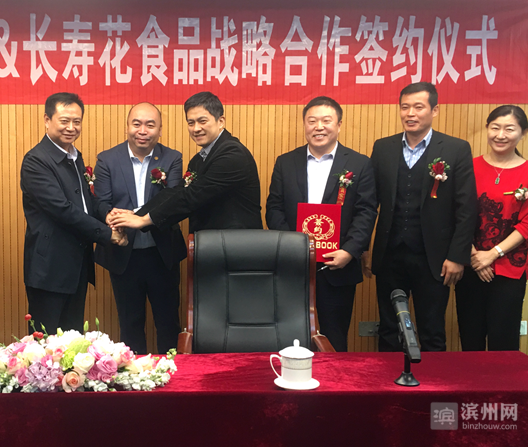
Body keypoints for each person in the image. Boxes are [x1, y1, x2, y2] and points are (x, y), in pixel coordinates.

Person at [369, 82, 477, 352]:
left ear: (434, 110)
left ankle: (432, 380)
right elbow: (370, 203)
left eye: (418, 107)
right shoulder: (383, 148)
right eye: (405, 107)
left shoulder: (455, 149)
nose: (410, 114)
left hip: (435, 258)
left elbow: (466, 209)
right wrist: (363, 249)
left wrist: (457, 256)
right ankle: (388, 378)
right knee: (389, 328)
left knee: (432, 330)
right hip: (389, 254)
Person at [266, 96, 377, 352]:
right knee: (290, 338)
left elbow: (366, 211)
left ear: (339, 124)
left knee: (333, 338)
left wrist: (350, 251)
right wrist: (292, 247)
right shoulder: (286, 162)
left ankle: (332, 379)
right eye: (312, 121)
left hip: (337, 267)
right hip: (293, 268)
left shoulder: (359, 163)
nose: (319, 127)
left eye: (326, 121)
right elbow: (274, 208)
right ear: (304, 124)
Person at [21, 92, 127, 335]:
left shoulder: (74, 156)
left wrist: (107, 215)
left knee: (71, 340)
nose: (71, 128)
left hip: (76, 264)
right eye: (64, 121)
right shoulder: (36, 161)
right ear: (47, 120)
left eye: (77, 121)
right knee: (45, 344)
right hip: (49, 268)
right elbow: (62, 209)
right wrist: (107, 234)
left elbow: (86, 200)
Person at [94, 103, 186, 354]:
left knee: (168, 323)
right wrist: (112, 217)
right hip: (124, 253)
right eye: (137, 124)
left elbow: (172, 199)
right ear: (127, 126)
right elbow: (101, 203)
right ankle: (134, 375)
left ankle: (173, 373)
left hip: (162, 253)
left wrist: (134, 215)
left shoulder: (172, 158)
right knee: (130, 325)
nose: (142, 131)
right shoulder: (107, 159)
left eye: (150, 125)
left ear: (160, 130)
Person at [107, 91, 262, 233]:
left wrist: (143, 220)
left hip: (236, 244)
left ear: (220, 121)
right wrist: (137, 214)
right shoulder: (199, 159)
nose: (196, 128)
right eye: (191, 122)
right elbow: (177, 192)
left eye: (202, 121)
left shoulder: (232, 154)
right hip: (213, 243)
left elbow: (192, 197)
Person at [455, 105, 528, 351]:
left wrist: (492, 255)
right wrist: (474, 255)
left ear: (523, 133)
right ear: (487, 129)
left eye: (509, 129)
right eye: (495, 128)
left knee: (504, 341)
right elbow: (454, 213)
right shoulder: (467, 167)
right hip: (470, 264)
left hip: (509, 268)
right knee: (470, 338)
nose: (501, 135)